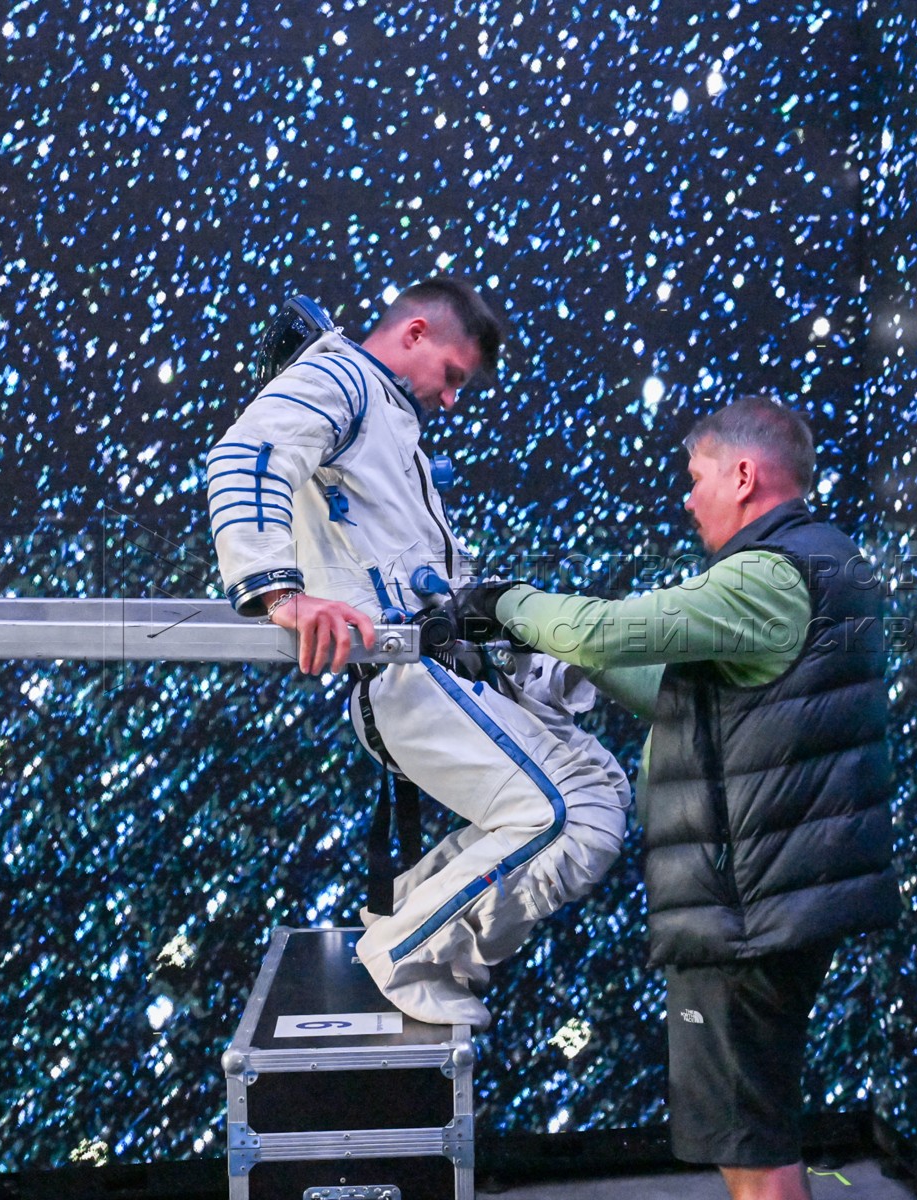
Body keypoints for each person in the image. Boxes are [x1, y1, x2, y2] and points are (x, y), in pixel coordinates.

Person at [458, 396, 898, 1200]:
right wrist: (576, 669)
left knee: (754, 1153)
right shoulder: (826, 561)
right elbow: (694, 693)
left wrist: (502, 603)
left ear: (743, 475)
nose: (689, 499)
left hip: (747, 914)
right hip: (778, 901)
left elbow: (606, 630)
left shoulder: (770, 575)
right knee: (752, 1132)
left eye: (697, 478)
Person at [205, 277, 629, 1030]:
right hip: (406, 679)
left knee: (603, 790)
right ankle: (407, 951)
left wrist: (541, 664)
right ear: (415, 333)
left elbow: (442, 587)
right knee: (571, 819)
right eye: (453, 375)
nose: (454, 400)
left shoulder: (384, 422)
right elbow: (246, 457)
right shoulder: (339, 378)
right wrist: (280, 593)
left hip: (435, 671)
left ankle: (414, 916)